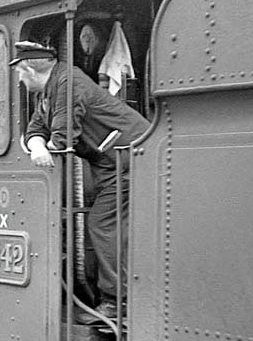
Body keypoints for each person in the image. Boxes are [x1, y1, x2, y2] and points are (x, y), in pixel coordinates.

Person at [11, 40, 150, 322]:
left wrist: (44, 146)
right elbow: (35, 128)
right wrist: (37, 146)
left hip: (129, 159)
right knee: (107, 224)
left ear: (28, 69)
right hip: (112, 164)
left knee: (102, 224)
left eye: (19, 73)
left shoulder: (68, 84)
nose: (19, 79)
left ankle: (116, 303)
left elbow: (63, 138)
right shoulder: (51, 90)